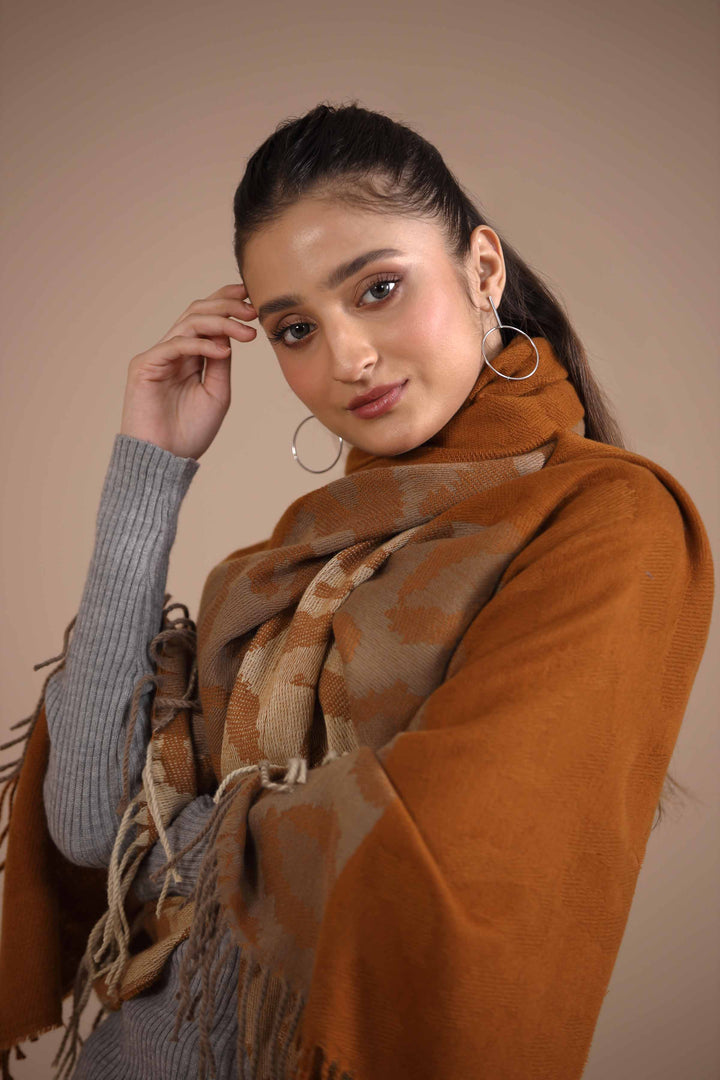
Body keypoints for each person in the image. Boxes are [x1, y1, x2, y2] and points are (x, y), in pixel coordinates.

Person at [0, 101, 714, 1080]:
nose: (347, 359)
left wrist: (161, 840)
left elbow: (446, 844)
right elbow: (89, 822)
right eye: (296, 328)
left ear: (483, 269)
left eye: (378, 288)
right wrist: (149, 468)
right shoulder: (279, 572)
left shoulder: (606, 520)